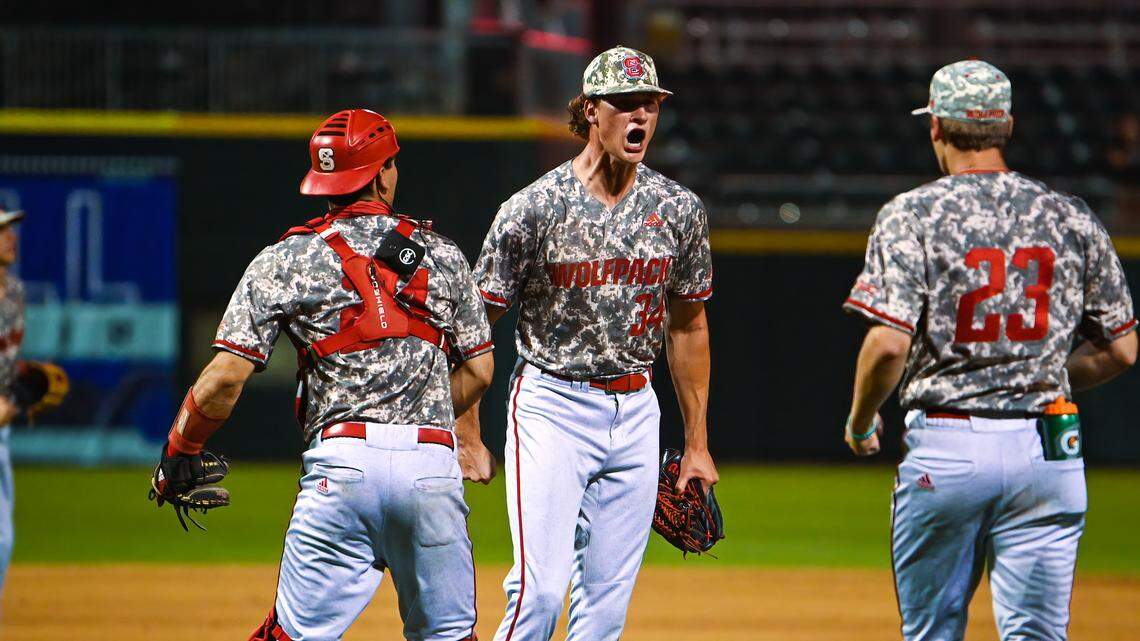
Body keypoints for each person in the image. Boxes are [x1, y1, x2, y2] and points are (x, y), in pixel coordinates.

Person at [150, 109, 496, 641]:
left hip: (342, 467)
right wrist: (419, 415)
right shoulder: (443, 255)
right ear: (381, 175)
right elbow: (480, 369)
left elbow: (223, 379)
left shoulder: (284, 259)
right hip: (430, 466)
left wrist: (181, 449)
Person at [842, 60, 1138, 641]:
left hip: (949, 447)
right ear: (1007, 126)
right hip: (1049, 449)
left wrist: (860, 421)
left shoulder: (912, 213)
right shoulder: (1069, 215)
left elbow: (885, 346)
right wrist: (1040, 375)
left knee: (933, 632)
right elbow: (1123, 350)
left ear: (936, 128)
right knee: (1038, 634)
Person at [462, 45, 718, 641]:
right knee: (540, 593)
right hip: (552, 407)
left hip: (636, 410)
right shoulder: (532, 209)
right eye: (624, 105)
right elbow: (474, 328)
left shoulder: (677, 208)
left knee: (604, 613)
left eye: (649, 105)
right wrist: (468, 431)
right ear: (589, 111)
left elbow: (688, 326)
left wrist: (697, 443)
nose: (639, 118)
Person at [0, 209, 26, 597]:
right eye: (1, 231)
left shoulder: (15, 292)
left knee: (3, 538)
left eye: (10, 229)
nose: (10, 237)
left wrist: (19, 392)